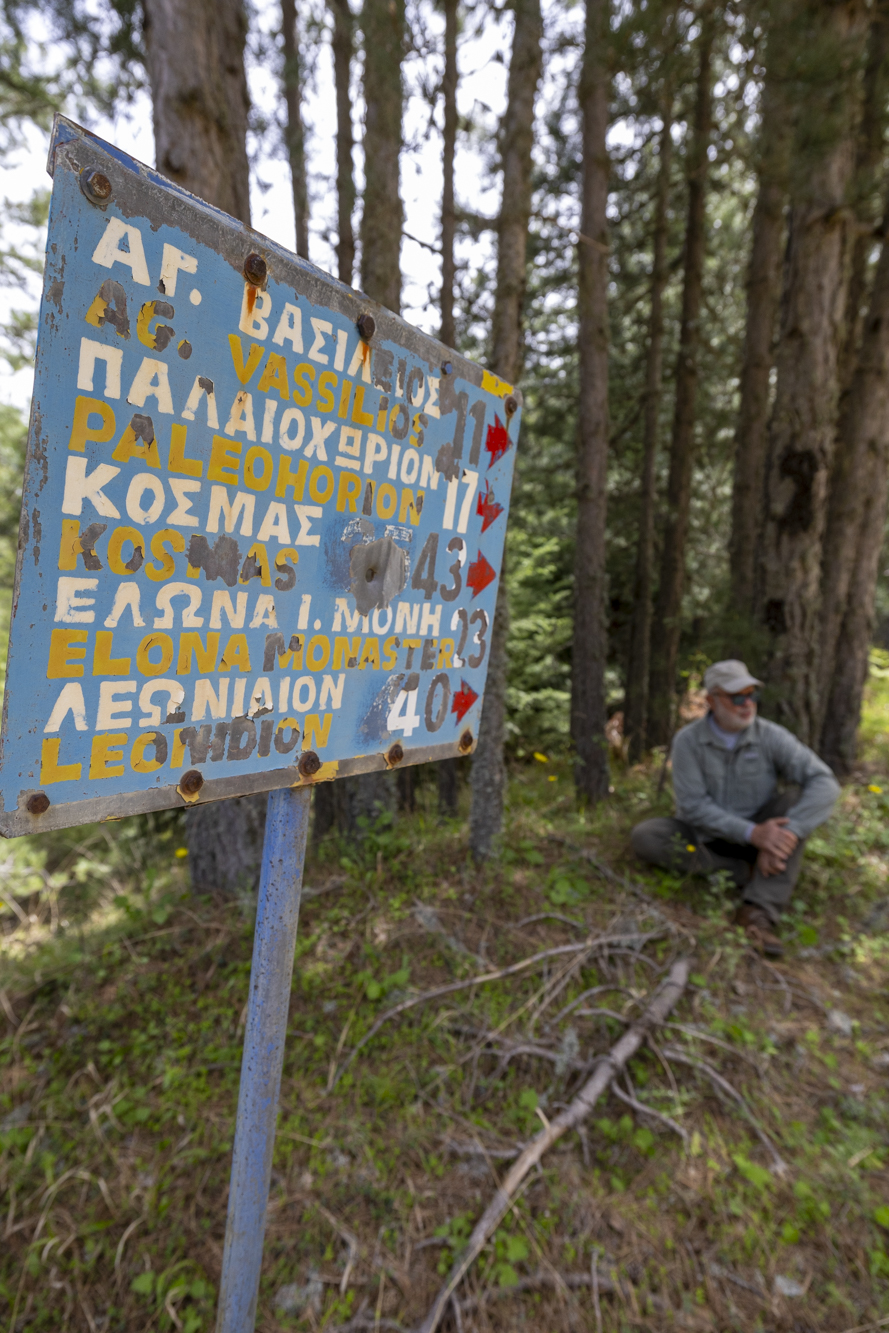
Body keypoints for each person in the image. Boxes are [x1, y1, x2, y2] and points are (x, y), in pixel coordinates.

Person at [630, 659, 840, 957]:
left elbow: (825, 782)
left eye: (751, 695)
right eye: (737, 697)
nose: (747, 704)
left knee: (793, 804)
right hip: (706, 838)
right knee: (647, 836)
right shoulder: (688, 741)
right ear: (711, 701)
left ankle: (757, 913)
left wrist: (789, 832)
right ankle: (740, 872)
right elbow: (693, 807)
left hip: (763, 832)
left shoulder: (770, 735)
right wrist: (753, 833)